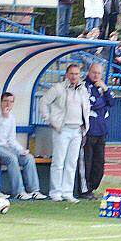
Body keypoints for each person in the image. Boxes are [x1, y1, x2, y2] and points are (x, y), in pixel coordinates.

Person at [0, 92, 46, 200]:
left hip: (6, 147)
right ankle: (19, 191)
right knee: (12, 158)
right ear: (1, 102)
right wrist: (4, 118)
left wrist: (21, 150)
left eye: (11, 101)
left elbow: (11, 139)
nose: (8, 104)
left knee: (28, 158)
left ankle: (34, 190)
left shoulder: (11, 117)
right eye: (6, 101)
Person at [40, 63, 90, 203]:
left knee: (72, 162)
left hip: (77, 129)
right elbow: (44, 102)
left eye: (77, 74)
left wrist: (85, 126)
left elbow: (85, 108)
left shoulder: (83, 90)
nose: (74, 76)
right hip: (62, 129)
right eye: (72, 73)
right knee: (59, 162)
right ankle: (55, 192)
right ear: (67, 75)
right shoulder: (59, 88)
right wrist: (49, 119)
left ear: (80, 75)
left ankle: (67, 192)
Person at [77, 64, 113, 200]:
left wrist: (105, 90)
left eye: (98, 73)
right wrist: (103, 101)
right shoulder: (84, 86)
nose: (96, 75)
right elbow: (92, 104)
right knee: (87, 161)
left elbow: (112, 102)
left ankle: (93, 187)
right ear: (89, 72)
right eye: (94, 72)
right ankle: (85, 190)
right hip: (89, 130)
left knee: (99, 163)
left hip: (101, 131)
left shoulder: (102, 87)